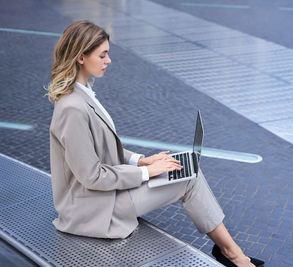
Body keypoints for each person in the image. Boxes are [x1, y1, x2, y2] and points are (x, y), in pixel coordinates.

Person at [46, 20, 264, 267]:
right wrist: (147, 172)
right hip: (94, 210)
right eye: (103, 55)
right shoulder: (73, 108)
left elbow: (101, 149)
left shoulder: (82, 94)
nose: (109, 60)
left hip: (103, 198)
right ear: (80, 57)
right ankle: (234, 256)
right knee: (188, 178)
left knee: (185, 169)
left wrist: (141, 160)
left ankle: (232, 253)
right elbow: (92, 177)